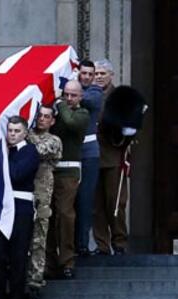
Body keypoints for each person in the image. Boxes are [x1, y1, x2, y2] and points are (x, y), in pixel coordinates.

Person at [0, 116, 40, 299]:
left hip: (21, 207)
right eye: (10, 130)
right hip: (0, 207)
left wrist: (1, 157)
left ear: (25, 132)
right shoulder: (2, 151)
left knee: (18, 254)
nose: (12, 134)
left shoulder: (30, 151)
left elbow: (16, 174)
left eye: (17, 131)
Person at [46, 80, 90, 279]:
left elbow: (71, 122)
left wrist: (59, 101)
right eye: (66, 94)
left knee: (65, 215)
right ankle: (49, 261)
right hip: (50, 172)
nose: (69, 98)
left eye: (73, 95)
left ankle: (67, 260)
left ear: (81, 97)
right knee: (49, 216)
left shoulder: (82, 114)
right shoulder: (58, 111)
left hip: (69, 172)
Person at [93, 58, 128, 255]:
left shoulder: (120, 97)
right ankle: (102, 245)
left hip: (113, 155)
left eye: (102, 74)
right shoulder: (88, 95)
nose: (98, 77)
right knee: (96, 205)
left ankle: (120, 242)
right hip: (92, 156)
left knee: (115, 202)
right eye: (96, 74)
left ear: (111, 76)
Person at [27, 105, 62, 298]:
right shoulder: (25, 135)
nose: (42, 119)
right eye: (39, 115)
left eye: (46, 116)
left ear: (52, 121)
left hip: (41, 195)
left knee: (39, 238)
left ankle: (35, 280)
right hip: (22, 190)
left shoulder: (54, 140)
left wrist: (24, 137)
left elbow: (36, 151)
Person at [75, 59, 103, 256]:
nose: (86, 77)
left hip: (90, 154)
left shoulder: (95, 92)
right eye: (83, 73)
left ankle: (82, 244)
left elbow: (91, 101)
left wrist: (68, 93)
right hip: (70, 154)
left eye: (90, 74)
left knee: (85, 201)